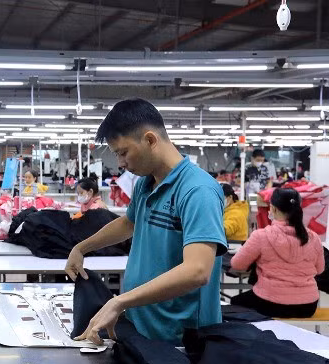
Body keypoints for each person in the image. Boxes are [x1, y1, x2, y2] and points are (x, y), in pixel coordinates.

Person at [65, 98, 227, 345]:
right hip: (143, 326)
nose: (120, 163)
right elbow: (129, 224)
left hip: (181, 339)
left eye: (123, 152)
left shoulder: (198, 190)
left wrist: (120, 300)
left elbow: (198, 271)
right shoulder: (146, 183)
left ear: (150, 140)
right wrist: (81, 248)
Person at [230, 188, 324, 318]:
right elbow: (320, 269)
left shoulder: (261, 236)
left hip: (270, 303)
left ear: (273, 209)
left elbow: (237, 264)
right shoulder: (313, 238)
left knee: (235, 302)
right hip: (307, 306)